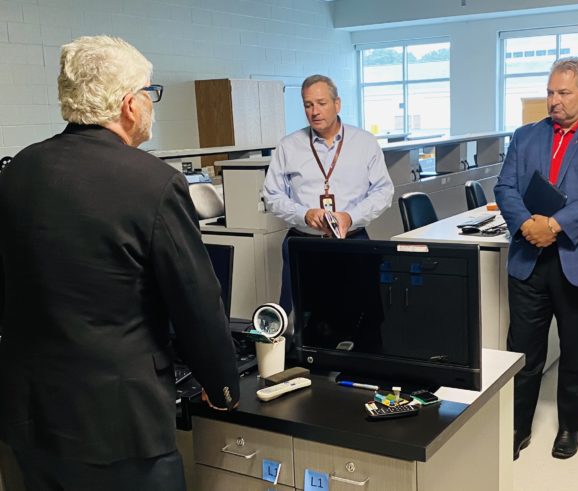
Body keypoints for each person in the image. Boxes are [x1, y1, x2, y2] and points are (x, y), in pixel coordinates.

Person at [0, 36, 239, 490]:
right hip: (121, 428)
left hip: (31, 416)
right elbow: (195, 301)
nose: (151, 104)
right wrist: (221, 384)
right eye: (150, 93)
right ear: (130, 105)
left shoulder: (18, 171)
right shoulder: (153, 183)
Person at [494, 57, 578, 460]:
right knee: (523, 350)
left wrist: (553, 226)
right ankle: (517, 426)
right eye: (550, 92)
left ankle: (570, 426)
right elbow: (505, 187)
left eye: (564, 92)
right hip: (529, 258)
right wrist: (527, 225)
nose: (554, 100)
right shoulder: (526, 136)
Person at [263, 74, 394, 314]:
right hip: (303, 243)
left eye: (321, 103)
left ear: (337, 104)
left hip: (353, 241)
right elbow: (272, 195)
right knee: (302, 319)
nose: (314, 111)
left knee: (362, 316)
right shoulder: (288, 146)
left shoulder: (365, 143)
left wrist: (350, 217)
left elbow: (383, 191)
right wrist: (304, 214)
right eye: (308, 105)